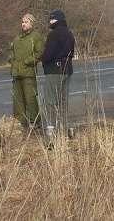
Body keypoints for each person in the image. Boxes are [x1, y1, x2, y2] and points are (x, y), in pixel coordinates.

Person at [40, 9, 75, 142]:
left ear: (57, 20)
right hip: (67, 70)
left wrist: (42, 59)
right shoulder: (70, 34)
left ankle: (50, 130)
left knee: (50, 102)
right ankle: (65, 128)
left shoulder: (53, 35)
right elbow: (72, 52)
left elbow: (49, 53)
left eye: (52, 19)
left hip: (54, 70)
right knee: (63, 101)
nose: (50, 21)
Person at [9, 13, 44, 128]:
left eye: (26, 22)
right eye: (22, 22)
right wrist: (12, 61)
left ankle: (35, 121)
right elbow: (11, 52)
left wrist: (27, 61)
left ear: (32, 23)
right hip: (16, 73)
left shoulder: (36, 36)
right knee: (18, 100)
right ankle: (20, 122)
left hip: (28, 73)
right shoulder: (17, 38)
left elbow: (39, 53)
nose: (23, 24)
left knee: (30, 98)